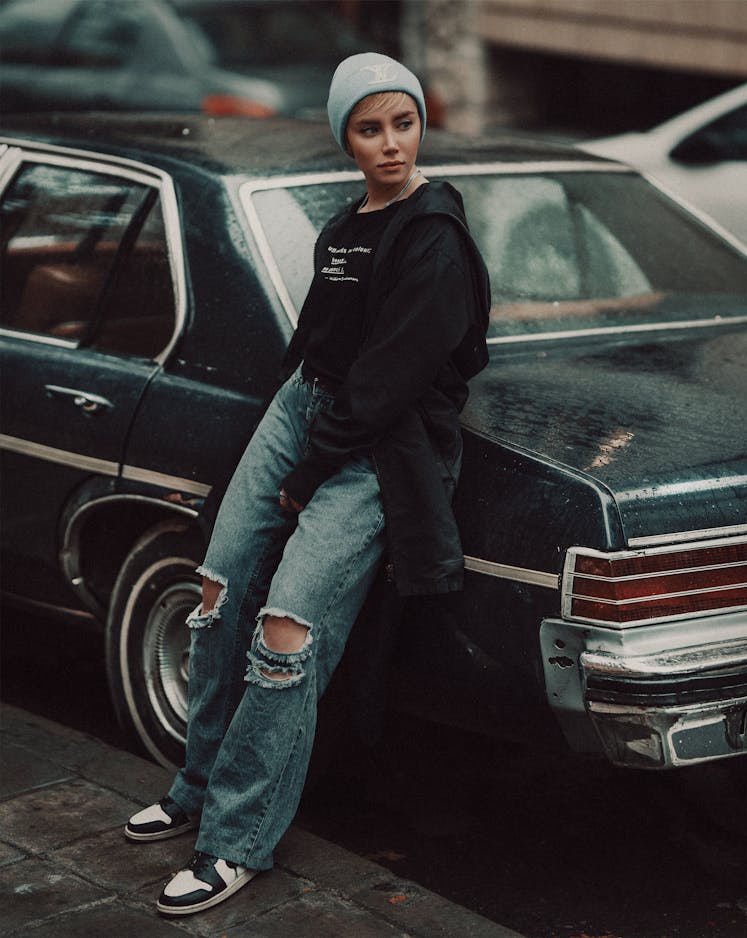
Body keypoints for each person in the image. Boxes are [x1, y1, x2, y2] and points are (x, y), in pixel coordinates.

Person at [124, 51, 491, 917]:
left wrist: (306, 470)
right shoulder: (347, 224)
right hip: (303, 410)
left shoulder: (434, 234)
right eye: (370, 128)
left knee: (286, 636)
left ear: (420, 126)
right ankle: (196, 785)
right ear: (346, 139)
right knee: (217, 591)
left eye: (403, 123)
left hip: (375, 442)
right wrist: (293, 433)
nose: (392, 143)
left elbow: (389, 379)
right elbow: (316, 346)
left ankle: (237, 841)